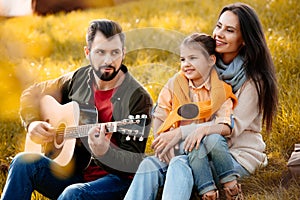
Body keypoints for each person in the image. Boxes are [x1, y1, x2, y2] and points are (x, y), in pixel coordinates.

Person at [126, 2, 278, 200]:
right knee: (149, 165)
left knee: (181, 164)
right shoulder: (202, 64)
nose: (219, 34)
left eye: (229, 30)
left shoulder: (254, 81)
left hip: (234, 155)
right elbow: (164, 108)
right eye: (219, 26)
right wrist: (165, 142)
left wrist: (180, 133)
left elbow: (230, 129)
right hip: (193, 149)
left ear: (244, 40)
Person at [1, 19, 153, 200]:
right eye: (100, 52)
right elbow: (31, 93)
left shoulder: (138, 99)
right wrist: (32, 122)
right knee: (22, 163)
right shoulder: (77, 80)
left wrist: (106, 153)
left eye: (115, 53)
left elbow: (134, 163)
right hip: (73, 173)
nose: (108, 60)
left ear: (124, 53)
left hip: (114, 182)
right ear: (87, 52)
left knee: (73, 194)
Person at [125, 32, 239, 200]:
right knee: (148, 164)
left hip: (201, 155)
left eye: (193, 58)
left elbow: (224, 126)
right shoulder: (174, 84)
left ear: (211, 60)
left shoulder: (220, 91)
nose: (186, 64)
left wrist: (202, 131)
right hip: (174, 147)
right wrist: (163, 146)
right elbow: (160, 117)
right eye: (183, 59)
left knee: (179, 164)